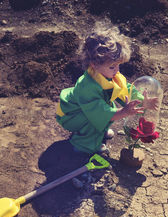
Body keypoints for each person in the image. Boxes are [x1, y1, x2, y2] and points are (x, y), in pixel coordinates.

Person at [56, 25, 158, 154]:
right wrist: (124, 111)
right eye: (112, 67)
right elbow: (99, 112)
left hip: (90, 108)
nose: (117, 70)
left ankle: (98, 132)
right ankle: (83, 145)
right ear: (94, 64)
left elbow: (125, 89)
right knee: (97, 118)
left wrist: (142, 101)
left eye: (118, 66)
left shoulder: (109, 74)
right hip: (71, 114)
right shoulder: (87, 87)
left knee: (108, 107)